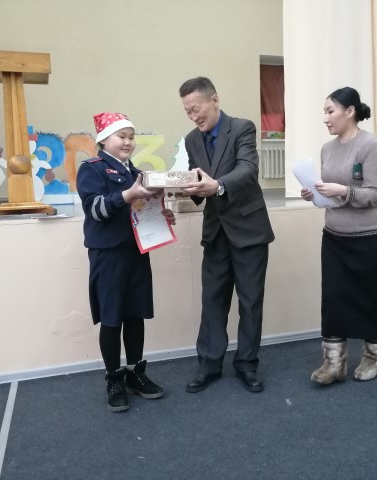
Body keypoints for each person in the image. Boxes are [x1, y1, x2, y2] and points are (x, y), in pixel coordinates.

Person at [178, 76, 275, 393]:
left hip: (249, 230)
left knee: (250, 302)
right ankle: (209, 364)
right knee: (212, 301)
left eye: (196, 109)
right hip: (215, 233)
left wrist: (218, 185)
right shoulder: (192, 140)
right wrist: (183, 189)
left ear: (214, 100)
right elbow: (197, 183)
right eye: (188, 112)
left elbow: (248, 170)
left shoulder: (242, 128)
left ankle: (247, 364)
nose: (193, 116)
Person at [76, 112, 176, 412]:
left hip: (136, 252)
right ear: (103, 139)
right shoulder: (92, 169)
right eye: (122, 136)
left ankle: (135, 374)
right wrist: (127, 194)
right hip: (108, 254)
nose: (128, 142)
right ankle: (114, 379)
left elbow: (141, 209)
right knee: (111, 317)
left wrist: (161, 216)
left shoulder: (137, 172)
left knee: (135, 314)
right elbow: (95, 209)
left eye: (131, 137)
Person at [301, 87, 377, 385]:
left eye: (330, 111)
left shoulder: (371, 146)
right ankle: (334, 362)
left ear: (350, 112)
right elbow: (329, 192)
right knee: (333, 298)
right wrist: (314, 193)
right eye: (324, 112)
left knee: (368, 298)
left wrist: (343, 191)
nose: (325, 118)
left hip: (369, 237)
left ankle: (374, 357)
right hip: (334, 235)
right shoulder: (327, 149)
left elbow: (374, 195)